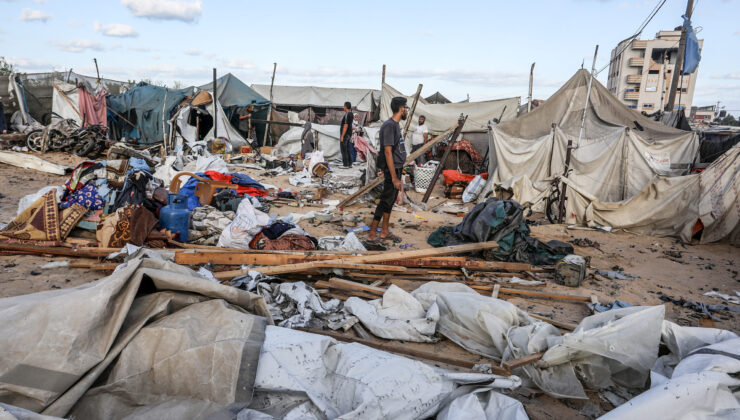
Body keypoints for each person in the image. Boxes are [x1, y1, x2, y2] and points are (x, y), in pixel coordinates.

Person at [368, 96, 408, 242]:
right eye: (406, 108)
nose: (407, 111)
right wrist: (393, 177)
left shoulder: (395, 125)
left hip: (397, 169)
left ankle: (384, 231)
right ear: (401, 108)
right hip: (393, 171)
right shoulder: (390, 126)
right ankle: (372, 233)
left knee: (390, 201)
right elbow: (387, 152)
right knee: (385, 200)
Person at [339, 102, 354, 168]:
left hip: (345, 135)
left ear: (346, 107)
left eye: (344, 106)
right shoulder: (351, 114)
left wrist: (342, 136)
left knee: (344, 149)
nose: (343, 107)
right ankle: (350, 163)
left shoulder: (347, 115)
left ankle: (345, 164)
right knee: (347, 149)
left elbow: (346, 125)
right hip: (349, 134)